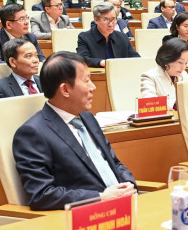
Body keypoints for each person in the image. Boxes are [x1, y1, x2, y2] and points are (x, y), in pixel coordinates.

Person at [13, 52, 137, 209]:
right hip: (88, 216)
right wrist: (100, 198)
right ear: (65, 90)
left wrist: (128, 184)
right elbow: (42, 194)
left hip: (126, 203)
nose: (93, 87)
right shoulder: (33, 133)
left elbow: (114, 162)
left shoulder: (88, 118)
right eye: (86, 81)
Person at [77, 3, 140, 67]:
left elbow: (135, 57)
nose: (111, 24)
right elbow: (82, 59)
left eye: (113, 19)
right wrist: (102, 62)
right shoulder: (84, 37)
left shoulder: (122, 36)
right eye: (106, 20)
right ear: (96, 20)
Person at [140, 38, 188, 110]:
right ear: (167, 59)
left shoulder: (184, 75)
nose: (183, 67)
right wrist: (174, 104)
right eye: (180, 62)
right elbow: (149, 103)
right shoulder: (149, 76)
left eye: (186, 63)